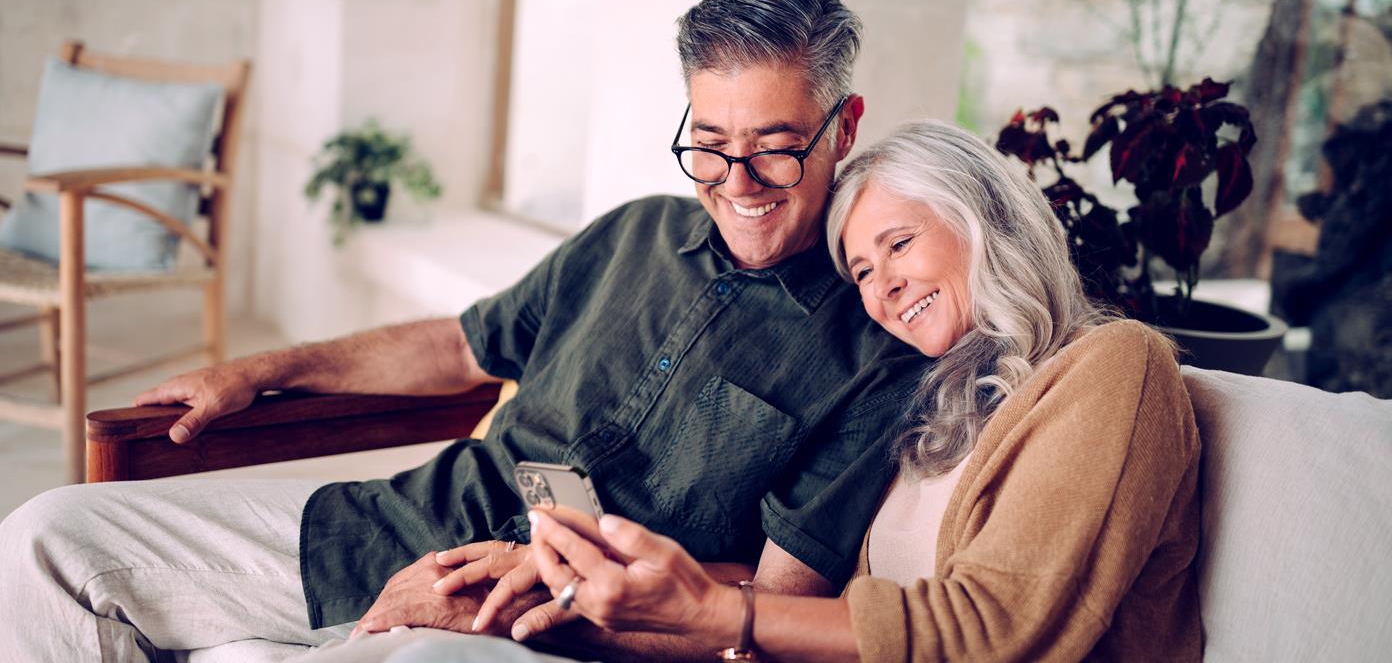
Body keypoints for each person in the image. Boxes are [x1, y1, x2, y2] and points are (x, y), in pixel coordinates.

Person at [0, 0, 931, 661]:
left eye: (774, 150)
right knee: (44, 540)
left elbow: (767, 605)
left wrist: (560, 587)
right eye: (709, 146)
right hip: (393, 524)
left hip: (550, 626)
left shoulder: (870, 352)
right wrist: (260, 370)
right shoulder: (633, 235)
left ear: (841, 129)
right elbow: (458, 345)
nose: (736, 184)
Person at [516, 120, 1204, 662]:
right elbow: (837, 610)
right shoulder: (936, 405)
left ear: (984, 218)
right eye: (864, 272)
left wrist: (713, 611)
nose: (884, 290)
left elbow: (995, 629)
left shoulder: (1114, 365)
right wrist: (573, 602)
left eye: (899, 245)